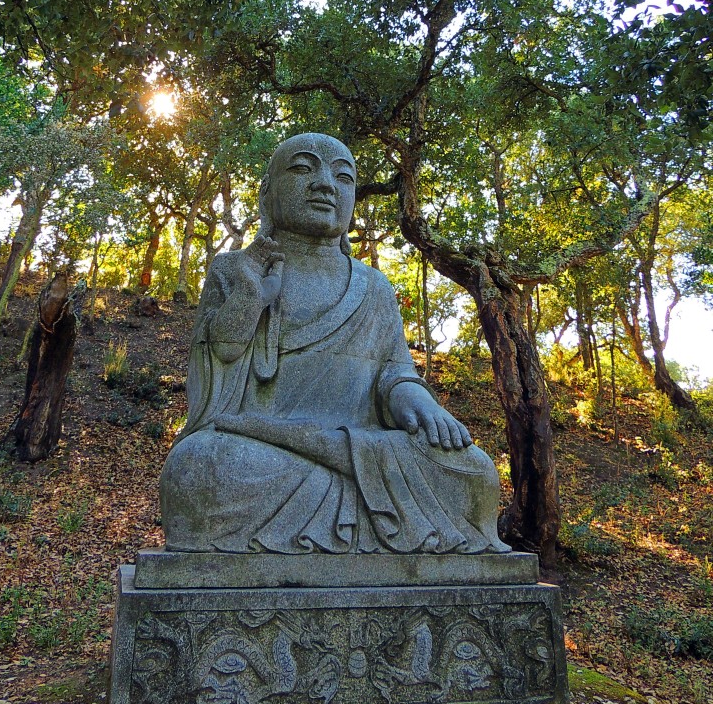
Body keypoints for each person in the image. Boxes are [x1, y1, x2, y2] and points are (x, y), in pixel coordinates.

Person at [160, 133, 509, 554]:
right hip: (266, 452)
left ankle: (340, 498)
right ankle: (370, 519)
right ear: (268, 193)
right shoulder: (234, 269)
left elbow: (394, 373)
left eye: (343, 177)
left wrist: (420, 404)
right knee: (196, 468)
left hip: (364, 451)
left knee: (477, 474)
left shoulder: (374, 287)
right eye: (304, 168)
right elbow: (218, 367)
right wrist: (250, 299)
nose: (326, 183)